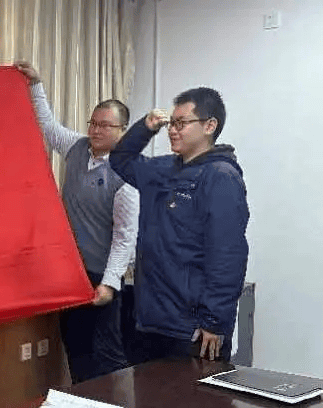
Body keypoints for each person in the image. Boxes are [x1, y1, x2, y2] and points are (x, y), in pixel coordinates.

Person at [15, 62, 139, 382]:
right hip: (71, 272)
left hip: (102, 276)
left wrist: (109, 284)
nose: (96, 130)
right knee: (76, 349)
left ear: (123, 131)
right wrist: (35, 84)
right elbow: (48, 126)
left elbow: (125, 238)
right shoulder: (77, 147)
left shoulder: (127, 175)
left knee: (107, 355)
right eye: (93, 123)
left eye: (105, 125)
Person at [109, 87, 249, 363]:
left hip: (193, 329)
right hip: (151, 320)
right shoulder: (162, 169)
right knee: (147, 391)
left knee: (191, 393)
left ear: (209, 126)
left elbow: (228, 256)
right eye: (171, 124)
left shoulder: (221, 177)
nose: (172, 130)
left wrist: (214, 321)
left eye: (181, 123)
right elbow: (120, 160)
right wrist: (145, 128)